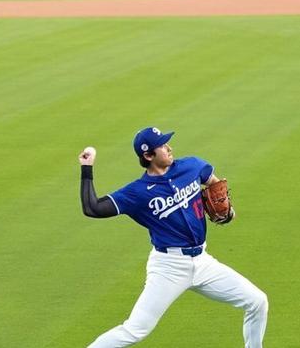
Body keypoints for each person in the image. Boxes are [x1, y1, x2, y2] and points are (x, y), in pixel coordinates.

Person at [78, 127, 268, 348]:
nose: (169, 148)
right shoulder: (137, 192)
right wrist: (87, 168)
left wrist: (227, 210)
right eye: (162, 145)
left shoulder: (191, 166)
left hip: (203, 262)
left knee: (257, 301)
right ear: (148, 156)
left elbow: (215, 184)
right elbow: (93, 208)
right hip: (169, 267)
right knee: (135, 330)